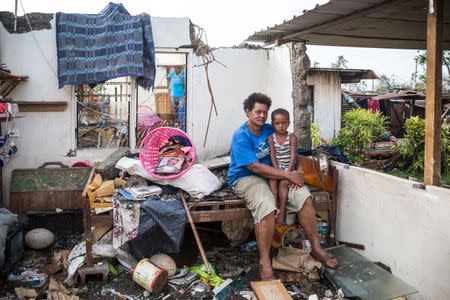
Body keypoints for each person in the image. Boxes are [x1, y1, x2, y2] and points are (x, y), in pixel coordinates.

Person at [227, 93, 338, 280]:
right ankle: (264, 260)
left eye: (265, 112)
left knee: (304, 197)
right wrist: (286, 174)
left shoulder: (270, 129)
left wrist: (296, 171)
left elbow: (290, 150)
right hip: (247, 177)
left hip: (275, 175)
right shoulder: (241, 135)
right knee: (266, 205)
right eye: (257, 112)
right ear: (247, 112)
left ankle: (317, 249)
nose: (261, 115)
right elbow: (253, 166)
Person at [268, 108, 299, 225]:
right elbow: (272, 155)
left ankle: (283, 209)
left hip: (288, 167)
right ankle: (274, 206)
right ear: (273, 124)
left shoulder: (292, 137)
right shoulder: (271, 138)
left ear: (288, 123)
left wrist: (289, 173)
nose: (280, 126)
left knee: (283, 184)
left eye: (283, 123)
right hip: (277, 167)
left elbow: (293, 155)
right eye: (277, 123)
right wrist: (277, 171)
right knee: (272, 180)